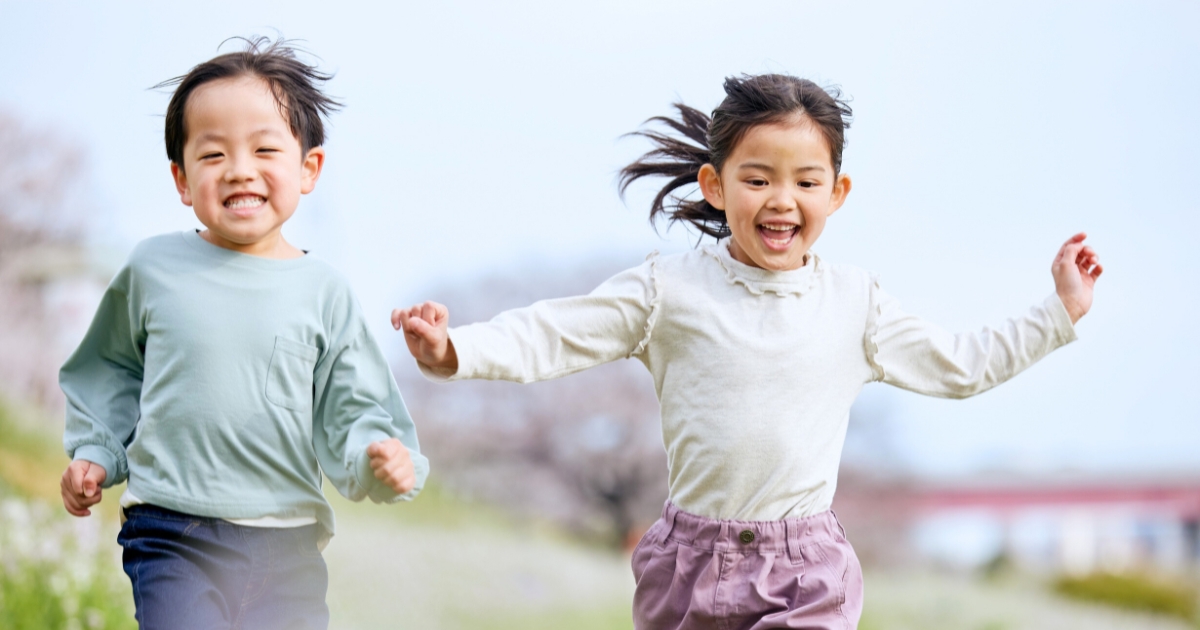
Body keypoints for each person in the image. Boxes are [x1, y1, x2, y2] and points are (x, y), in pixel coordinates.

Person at [393, 73, 1101, 629]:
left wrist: (1057, 312)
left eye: (805, 181)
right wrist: (452, 349)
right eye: (757, 179)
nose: (781, 200)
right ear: (715, 185)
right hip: (686, 565)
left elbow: (963, 365)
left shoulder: (856, 303)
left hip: (806, 571)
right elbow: (555, 333)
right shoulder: (669, 290)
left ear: (838, 192)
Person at [58, 37, 428, 630]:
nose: (239, 169)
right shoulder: (153, 269)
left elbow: (352, 407)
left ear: (309, 168)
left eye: (264, 149)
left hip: (288, 544)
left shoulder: (323, 291)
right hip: (171, 529)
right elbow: (110, 369)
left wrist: (377, 459)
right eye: (212, 156)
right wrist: (96, 453)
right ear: (181, 179)